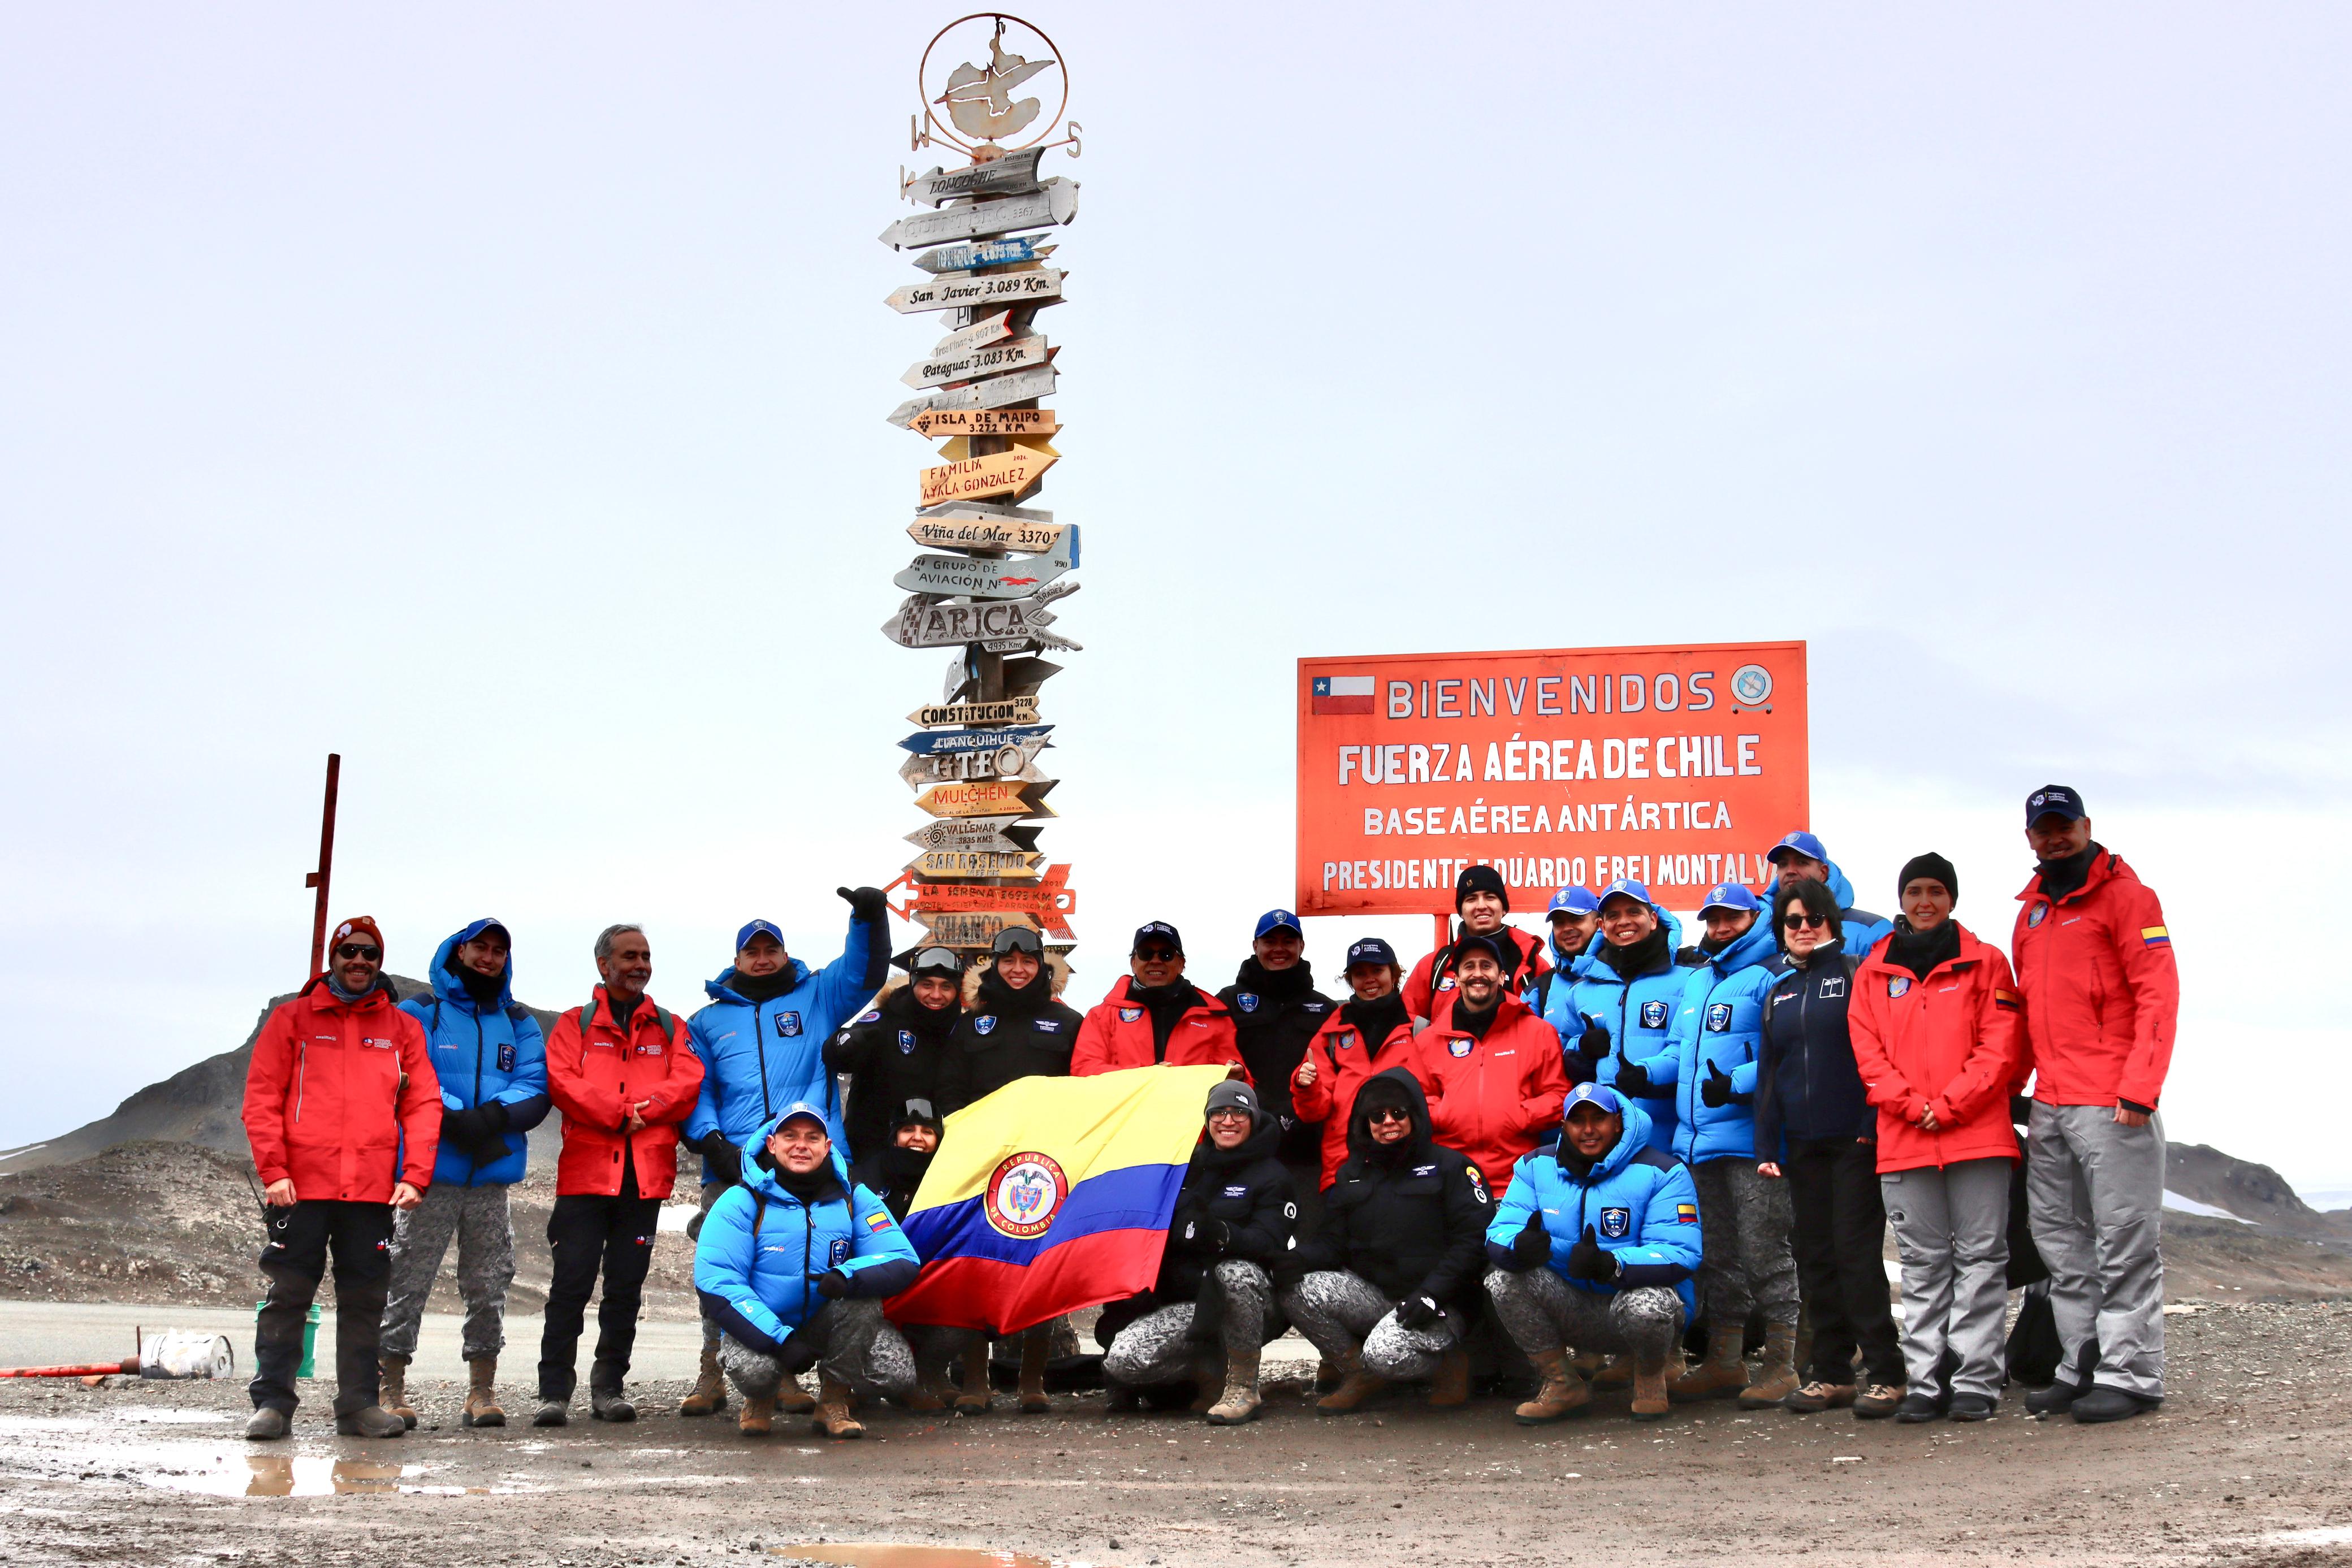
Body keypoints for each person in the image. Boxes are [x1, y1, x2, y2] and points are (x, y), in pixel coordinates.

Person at [678, 890, 890, 1419]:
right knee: (727, 1268)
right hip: (733, 1165)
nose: (763, 957)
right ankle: (713, 1371)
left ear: (784, 953)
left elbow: (866, 973)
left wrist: (868, 916)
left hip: (813, 1160)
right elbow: (694, 1090)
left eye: (771, 948)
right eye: (752, 950)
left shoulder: (818, 996)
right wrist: (711, 1142)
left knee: (805, 1266)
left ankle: (790, 1377)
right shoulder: (706, 1022)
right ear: (737, 961)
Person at [2009, 786, 2177, 1424]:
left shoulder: (2130, 899)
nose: (2053, 838)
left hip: (2113, 1103)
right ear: (2029, 836)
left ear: (2085, 826)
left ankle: (2132, 1374)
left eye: (2063, 826)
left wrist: (2140, 1087)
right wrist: (2012, 1087)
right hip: (2050, 1103)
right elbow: (2025, 1011)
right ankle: (2079, 1364)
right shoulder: (2029, 913)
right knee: (2058, 1242)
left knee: (2124, 1239)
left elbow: (2157, 993)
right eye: (2041, 829)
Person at [240, 916, 439, 1441]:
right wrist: (275, 1172)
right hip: (300, 1189)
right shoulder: (292, 1021)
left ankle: (357, 1407)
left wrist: (415, 1176)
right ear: (334, 956)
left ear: (380, 961)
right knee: (288, 1294)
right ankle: (273, 1406)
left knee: (366, 1299)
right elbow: (261, 1100)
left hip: (371, 1191)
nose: (359, 961)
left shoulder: (402, 1029)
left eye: (369, 953)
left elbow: (422, 1105)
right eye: (349, 951)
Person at [1848, 852, 2029, 1423]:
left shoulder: (1987, 964)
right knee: (1923, 1263)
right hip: (1903, 1138)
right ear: (1900, 899)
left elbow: (2000, 1046)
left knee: (1980, 1258)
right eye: (1913, 891)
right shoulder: (1872, 970)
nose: (1923, 901)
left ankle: (1976, 1377)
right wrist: (1910, 1105)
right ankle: (1925, 1380)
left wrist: (1949, 1104)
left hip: (1976, 1135)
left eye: (1934, 891)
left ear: (1951, 898)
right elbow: (1866, 1051)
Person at [1617, 883, 1799, 1407]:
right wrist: (1644, 1072)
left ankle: (1783, 1363)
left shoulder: (1771, 973)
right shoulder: (1698, 981)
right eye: (1713, 919)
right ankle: (1726, 1360)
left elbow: (1783, 1050)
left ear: (1752, 918)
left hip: (1753, 1143)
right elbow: (1679, 1052)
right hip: (1697, 1144)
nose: (1720, 928)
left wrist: (1737, 1082)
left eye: (1731, 918)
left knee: (1765, 1252)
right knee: (1716, 1255)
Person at [381, 919, 551, 1432]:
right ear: (458, 951)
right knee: (407, 1278)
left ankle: (482, 1389)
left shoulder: (519, 1021)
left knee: (489, 1280)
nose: (490, 957)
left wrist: (494, 1117)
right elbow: (410, 1072)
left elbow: (534, 1081)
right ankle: (389, 1387)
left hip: (490, 1177)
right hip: (428, 1174)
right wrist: (453, 1116)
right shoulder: (419, 1013)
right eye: (481, 947)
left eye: (500, 950)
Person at [537, 924, 704, 1426]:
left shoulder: (671, 1027)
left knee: (626, 1288)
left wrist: (643, 1109)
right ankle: (553, 1393)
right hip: (586, 1178)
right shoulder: (575, 1024)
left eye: (646, 956)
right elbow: (561, 1081)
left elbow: (688, 1080)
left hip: (644, 1178)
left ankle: (609, 1387)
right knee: (570, 1285)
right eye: (629, 955)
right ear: (603, 964)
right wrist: (617, 1111)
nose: (640, 964)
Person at [1753, 879, 1905, 1419]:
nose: (1803, 928)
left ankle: (1887, 1374)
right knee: (1815, 1259)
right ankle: (1833, 1375)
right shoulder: (1778, 993)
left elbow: (1884, 1053)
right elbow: (1771, 1074)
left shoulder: (1856, 976)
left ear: (1832, 925)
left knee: (1857, 1256)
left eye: (1813, 918)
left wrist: (1872, 1121)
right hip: (1803, 1147)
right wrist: (1766, 1143)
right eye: (1793, 921)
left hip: (1856, 1141)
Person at [693, 1104, 920, 1439]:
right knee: (757, 1374)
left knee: (895, 1373)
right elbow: (717, 1282)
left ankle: (832, 1401)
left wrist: (848, 1275)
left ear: (827, 1147)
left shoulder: (854, 1198)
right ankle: (759, 1398)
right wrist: (780, 1340)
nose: (802, 1145)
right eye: (790, 1136)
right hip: (764, 1325)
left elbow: (901, 1258)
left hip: (825, 1324)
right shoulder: (740, 1201)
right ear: (772, 1144)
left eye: (813, 1138)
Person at [1484, 1085, 1701, 1423]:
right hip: (1575, 1308)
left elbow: (1681, 1252)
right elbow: (1500, 1231)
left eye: (1598, 1118)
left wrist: (1612, 1265)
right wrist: (1520, 1245)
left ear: (1617, 1122)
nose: (1588, 1130)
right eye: (1577, 1121)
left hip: (1631, 1306)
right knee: (1504, 1280)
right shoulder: (1534, 1166)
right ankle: (1562, 1383)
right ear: (1564, 1126)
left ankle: (1648, 1376)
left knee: (1646, 1304)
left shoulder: (1664, 1172)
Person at [936, 925, 1086, 1413]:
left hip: (1046, 1164)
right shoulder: (971, 1024)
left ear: (1042, 967)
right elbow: (951, 1091)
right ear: (994, 966)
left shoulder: (1067, 1023)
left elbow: (1086, 1090)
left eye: (1027, 961)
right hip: (984, 1161)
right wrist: (965, 1138)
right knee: (980, 1267)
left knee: (1039, 1269)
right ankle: (977, 1381)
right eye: (1008, 961)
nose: (1018, 969)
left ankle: (1031, 1382)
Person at [1281, 1068, 1493, 1413]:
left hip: (1439, 1300)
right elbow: (1332, 1242)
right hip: (1378, 1294)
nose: (1388, 1122)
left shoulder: (1453, 1168)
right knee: (1295, 1286)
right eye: (1377, 1116)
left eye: (1398, 1113)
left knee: (1387, 1355)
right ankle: (1359, 1374)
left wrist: (1433, 1294)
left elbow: (1473, 1242)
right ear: (1365, 1123)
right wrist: (1293, 1260)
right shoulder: (1352, 1174)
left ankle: (1450, 1364)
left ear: (1415, 1115)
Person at [1100, 1080, 1299, 1424]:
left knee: (1236, 1272)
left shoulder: (1273, 1175)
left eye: (1239, 1112)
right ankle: (1205, 1373)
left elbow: (1270, 1244)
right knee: (1124, 1359)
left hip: (1250, 1301)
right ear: (1206, 1121)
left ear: (1253, 1118)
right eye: (1218, 1112)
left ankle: (1243, 1386)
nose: (1228, 1121)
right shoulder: (1187, 1169)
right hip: (1191, 1300)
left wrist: (1222, 1235)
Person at [1407, 934, 1569, 1191]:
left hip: (1517, 1181)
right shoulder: (1429, 1040)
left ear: (1502, 976)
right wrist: (1449, 1113)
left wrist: (1517, 1114)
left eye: (1486, 966)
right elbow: (1415, 1100)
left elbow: (1559, 1097)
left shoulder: (1538, 1032)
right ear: (1457, 978)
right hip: (1451, 1181)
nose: (1477, 974)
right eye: (1469, 967)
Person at [1546, 880, 1697, 1155]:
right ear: (1602, 927)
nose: (1623, 922)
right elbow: (1558, 1048)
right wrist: (1581, 1048)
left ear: (1652, 919)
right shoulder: (1581, 990)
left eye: (1633, 912)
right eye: (1613, 916)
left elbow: (1692, 1050)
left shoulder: (1690, 980)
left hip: (1671, 1137)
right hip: (1606, 1141)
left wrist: (1647, 1074)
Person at [846, 1098, 956, 1412]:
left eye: (927, 1131)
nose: (917, 1138)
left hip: (929, 1291)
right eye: (908, 1129)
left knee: (962, 1316)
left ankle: (927, 1378)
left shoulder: (953, 1178)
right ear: (894, 1136)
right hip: (877, 1295)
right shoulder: (864, 1178)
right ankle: (846, 1385)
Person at [1216, 908, 1335, 1184]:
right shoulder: (1226, 1002)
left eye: (1288, 942)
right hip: (1244, 1133)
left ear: (1301, 946)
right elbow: (1217, 1062)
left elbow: (1333, 1075)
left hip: (1307, 1143)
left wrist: (1293, 1114)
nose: (1279, 949)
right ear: (1256, 946)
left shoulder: (1326, 1008)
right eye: (1270, 942)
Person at [1292, 937, 1416, 1192]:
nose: (1369, 979)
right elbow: (1313, 1112)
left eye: (1377, 971)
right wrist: (1306, 1086)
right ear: (1350, 980)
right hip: (1346, 1166)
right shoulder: (1332, 1033)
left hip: (1408, 1163)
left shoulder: (1419, 1028)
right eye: (1360, 974)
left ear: (1394, 974)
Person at [826, 945, 963, 1163]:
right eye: (927, 985)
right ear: (913, 984)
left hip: (937, 1157)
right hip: (875, 1154)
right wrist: (848, 1043)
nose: (936, 995)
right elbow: (836, 1057)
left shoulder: (963, 1029)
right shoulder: (886, 1019)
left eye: (946, 987)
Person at [1072, 922, 1244, 1077]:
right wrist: (1147, 1075)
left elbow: (1236, 1078)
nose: (1155, 961)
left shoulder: (1214, 1015)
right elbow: (1084, 1069)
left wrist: (1238, 1077)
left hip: (1194, 1112)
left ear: (1181, 964)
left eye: (1166, 955)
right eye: (1146, 954)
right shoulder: (1102, 1016)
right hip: (1127, 1111)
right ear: (1133, 963)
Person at [1402, 865, 1550, 1021]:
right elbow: (1406, 1025)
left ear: (1504, 908)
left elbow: (1553, 1027)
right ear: (1461, 911)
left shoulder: (1533, 963)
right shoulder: (1434, 966)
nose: (1481, 906)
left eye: (1490, 897)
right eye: (1471, 899)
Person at [1767, 830, 1892, 955]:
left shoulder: (1873, 930)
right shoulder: (1764, 929)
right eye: (1783, 864)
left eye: (1802, 862)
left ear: (1823, 873)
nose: (1790, 871)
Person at [1534, 885, 1602, 1015]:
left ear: (1598, 923)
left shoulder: (1621, 973)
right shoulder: (1540, 988)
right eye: (1559, 923)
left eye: (1576, 919)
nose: (1567, 928)